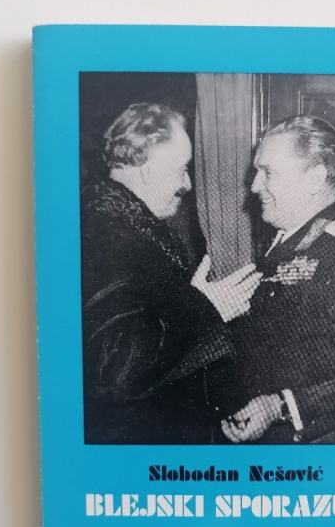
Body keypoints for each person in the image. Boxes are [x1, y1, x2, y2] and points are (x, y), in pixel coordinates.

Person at [81, 103, 261, 444]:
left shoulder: (133, 224)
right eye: (181, 170)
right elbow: (112, 368)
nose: (188, 184)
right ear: (148, 171)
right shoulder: (104, 235)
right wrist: (205, 307)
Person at [221, 115, 335, 444]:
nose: (254, 186)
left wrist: (283, 406)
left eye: (268, 172)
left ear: (314, 179)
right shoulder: (282, 243)